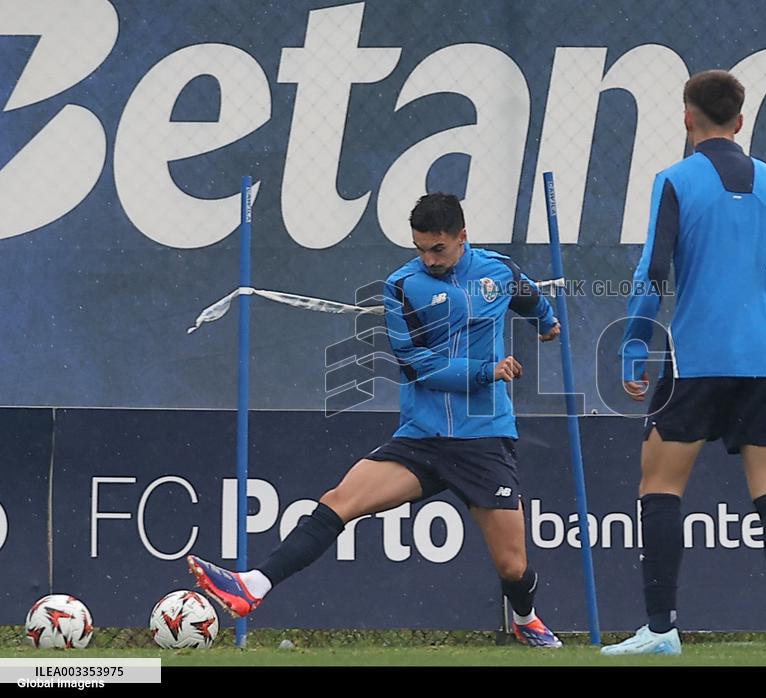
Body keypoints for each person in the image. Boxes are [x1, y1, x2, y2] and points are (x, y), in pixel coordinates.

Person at [187, 193, 564, 648]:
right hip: (422, 439)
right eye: (420, 248)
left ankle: (525, 618)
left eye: (437, 249)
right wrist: (488, 370)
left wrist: (545, 322)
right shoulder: (403, 286)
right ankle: (253, 586)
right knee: (338, 499)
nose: (428, 259)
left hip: (483, 438)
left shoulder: (498, 272)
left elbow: (529, 298)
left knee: (512, 567)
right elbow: (416, 365)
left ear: (462, 237)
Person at [604, 70, 766, 657]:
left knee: (659, 486)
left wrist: (635, 346)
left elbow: (652, 272)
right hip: (764, 365)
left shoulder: (675, 180)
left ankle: (661, 630)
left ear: (687, 117)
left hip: (696, 363)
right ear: (740, 121)